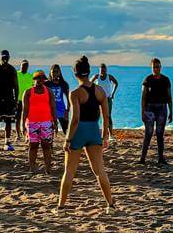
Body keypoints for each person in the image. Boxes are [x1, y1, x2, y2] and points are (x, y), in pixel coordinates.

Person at [57, 56, 115, 211]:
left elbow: (75, 119)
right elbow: (106, 116)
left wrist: (68, 139)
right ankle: (110, 205)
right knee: (100, 171)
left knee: (69, 172)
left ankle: (61, 207)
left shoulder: (75, 93)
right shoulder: (100, 91)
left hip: (79, 131)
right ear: (89, 72)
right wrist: (105, 136)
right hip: (94, 130)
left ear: (75, 73)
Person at [22, 69, 58, 173]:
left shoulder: (49, 91)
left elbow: (53, 108)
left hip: (46, 122)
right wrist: (22, 124)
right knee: (33, 145)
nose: (40, 80)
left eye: (42, 79)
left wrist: (55, 122)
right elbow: (25, 110)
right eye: (38, 78)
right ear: (34, 79)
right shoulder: (28, 92)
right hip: (32, 122)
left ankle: (48, 169)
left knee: (46, 145)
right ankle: (32, 168)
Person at [140, 58, 173, 165]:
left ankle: (161, 158)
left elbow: (169, 96)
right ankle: (142, 159)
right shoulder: (147, 79)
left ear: (160, 67)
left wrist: (171, 111)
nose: (155, 69)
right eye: (153, 67)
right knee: (148, 133)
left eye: (157, 67)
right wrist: (142, 111)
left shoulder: (165, 80)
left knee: (160, 134)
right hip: (149, 108)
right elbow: (143, 97)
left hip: (162, 108)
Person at [0, 49, 20, 151]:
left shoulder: (12, 70)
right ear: (0, 58)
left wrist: (16, 101)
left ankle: (7, 142)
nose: (5, 59)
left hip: (9, 99)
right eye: (3, 57)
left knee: (8, 121)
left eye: (6, 57)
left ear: (9, 58)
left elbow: (16, 87)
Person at [94, 63, 119, 140]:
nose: (103, 72)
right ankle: (94, 134)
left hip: (107, 99)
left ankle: (110, 135)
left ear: (106, 70)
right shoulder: (96, 76)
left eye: (104, 70)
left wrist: (113, 93)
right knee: (96, 116)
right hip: (98, 99)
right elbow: (89, 84)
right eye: (101, 70)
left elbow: (116, 83)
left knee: (108, 116)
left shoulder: (109, 77)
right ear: (99, 70)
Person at [46, 64, 71, 134]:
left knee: (66, 131)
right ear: (50, 72)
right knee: (48, 131)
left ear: (59, 73)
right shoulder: (47, 84)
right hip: (50, 110)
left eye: (56, 71)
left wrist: (67, 111)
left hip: (61, 110)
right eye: (53, 71)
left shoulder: (64, 84)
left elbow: (69, 98)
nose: (55, 73)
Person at [16, 59, 34, 139]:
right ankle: (18, 135)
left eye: (26, 66)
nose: (24, 67)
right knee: (18, 118)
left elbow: (33, 88)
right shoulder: (16, 74)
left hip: (28, 100)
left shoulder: (30, 76)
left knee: (27, 118)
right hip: (18, 100)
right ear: (20, 66)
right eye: (23, 65)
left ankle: (27, 134)